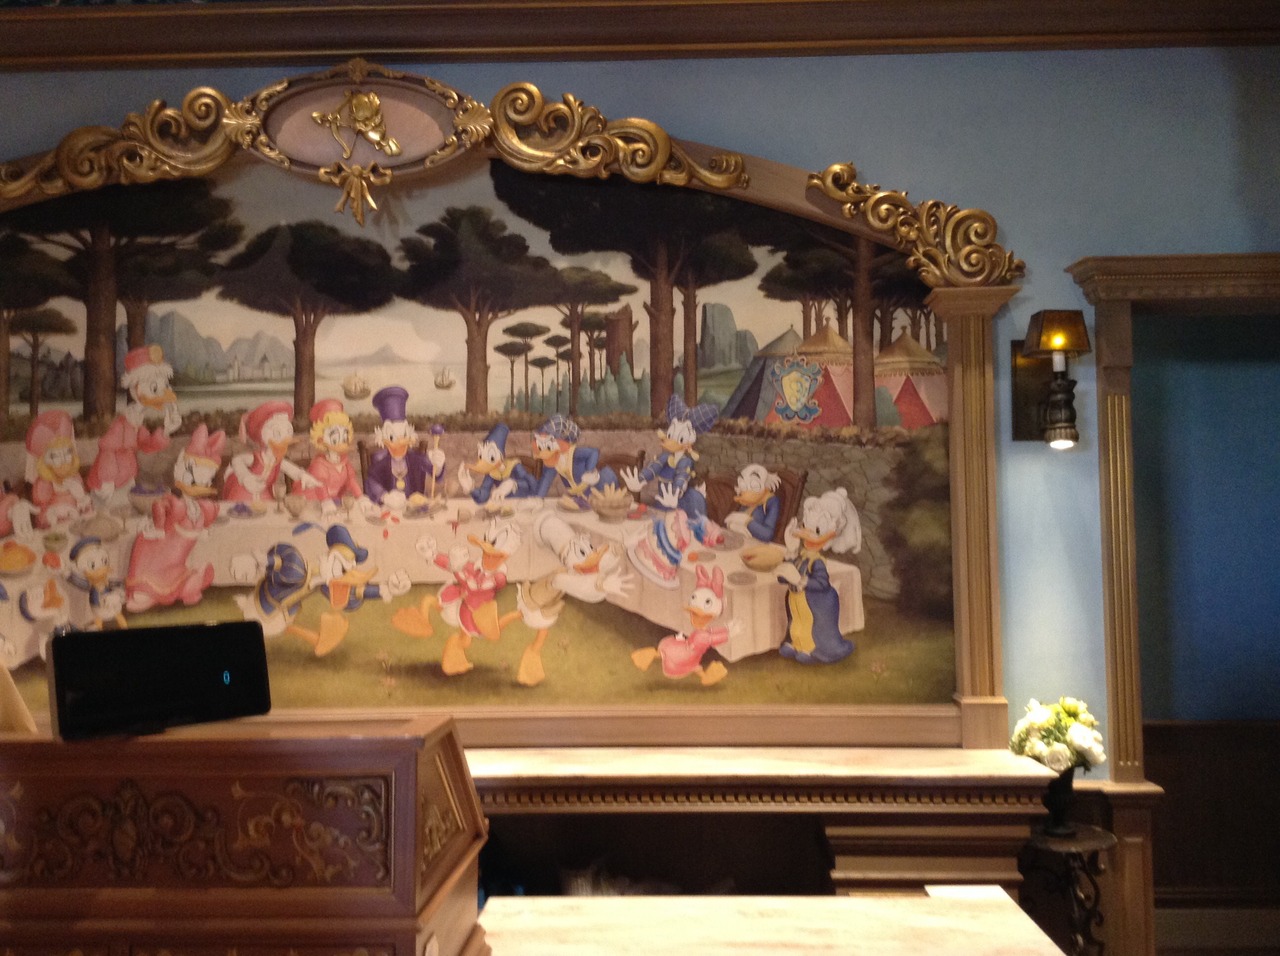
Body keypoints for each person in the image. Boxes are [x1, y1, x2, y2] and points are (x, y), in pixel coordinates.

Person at [777, 487, 862, 664]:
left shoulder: (817, 562)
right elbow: (785, 576)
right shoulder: (801, 555)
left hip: (814, 602)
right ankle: (796, 644)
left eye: (815, 530)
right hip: (798, 601)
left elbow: (822, 583)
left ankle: (811, 649)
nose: (806, 534)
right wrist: (790, 551)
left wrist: (802, 580)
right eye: (804, 527)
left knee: (810, 624)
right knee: (797, 622)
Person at [86, 344, 181, 502]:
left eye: (164, 386)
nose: (162, 393)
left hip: (126, 480)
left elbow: (146, 445)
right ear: (135, 388)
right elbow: (106, 451)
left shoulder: (136, 421)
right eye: (154, 388)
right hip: (106, 486)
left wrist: (167, 431)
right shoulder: (121, 424)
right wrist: (107, 481)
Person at [222, 400, 319, 503]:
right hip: (242, 494)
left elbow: (293, 470)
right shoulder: (257, 458)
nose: (284, 438)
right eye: (277, 433)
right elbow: (237, 460)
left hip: (264, 496)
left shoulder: (278, 461)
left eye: (288, 431)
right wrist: (246, 477)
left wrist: (304, 476)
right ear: (261, 434)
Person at [364, 386, 443, 506]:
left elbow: (436, 475)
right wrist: (384, 496)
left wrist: (439, 465)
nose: (399, 444)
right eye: (392, 438)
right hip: (389, 512)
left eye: (403, 436)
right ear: (383, 439)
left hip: (416, 511)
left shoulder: (418, 459)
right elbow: (371, 483)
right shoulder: (379, 466)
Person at [529, 415, 617, 508]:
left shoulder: (573, 453)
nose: (542, 451)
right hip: (581, 496)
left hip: (602, 488)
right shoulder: (552, 460)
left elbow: (594, 452)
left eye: (547, 446)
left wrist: (589, 472)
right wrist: (537, 499)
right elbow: (546, 480)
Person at [298, 398, 365, 509]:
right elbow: (320, 486)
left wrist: (361, 497)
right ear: (320, 439)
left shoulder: (344, 462)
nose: (341, 443)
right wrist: (326, 502)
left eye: (344, 438)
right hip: (313, 503)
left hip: (334, 502)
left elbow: (351, 481)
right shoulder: (319, 465)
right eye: (334, 439)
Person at [724, 463, 782, 543]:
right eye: (744, 486)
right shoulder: (745, 499)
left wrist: (746, 520)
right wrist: (732, 526)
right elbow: (733, 519)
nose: (748, 490)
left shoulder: (772, 501)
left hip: (760, 544)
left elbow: (767, 535)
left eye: (754, 486)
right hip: (743, 541)